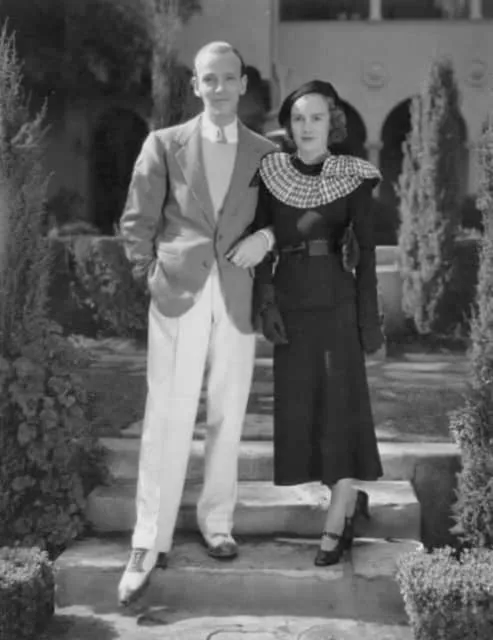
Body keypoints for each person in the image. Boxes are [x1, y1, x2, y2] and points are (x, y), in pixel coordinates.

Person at [117, 41, 276, 606]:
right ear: (195, 85)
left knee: (228, 412)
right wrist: (149, 275)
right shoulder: (164, 143)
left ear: (243, 83)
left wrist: (267, 238)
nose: (219, 88)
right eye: (209, 79)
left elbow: (281, 217)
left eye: (228, 78)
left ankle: (217, 522)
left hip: (237, 294)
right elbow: (137, 219)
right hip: (178, 291)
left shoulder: (265, 152)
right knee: (167, 412)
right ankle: (149, 537)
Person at [253, 80, 384, 567]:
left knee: (339, 410)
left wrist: (369, 324)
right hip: (291, 308)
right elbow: (260, 240)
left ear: (333, 124)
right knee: (303, 411)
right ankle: (349, 499)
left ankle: (338, 515)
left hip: (337, 306)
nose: (306, 126)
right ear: (289, 126)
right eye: (298, 118)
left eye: (317, 117)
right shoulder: (271, 173)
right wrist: (267, 304)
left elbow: (366, 256)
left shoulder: (354, 177)